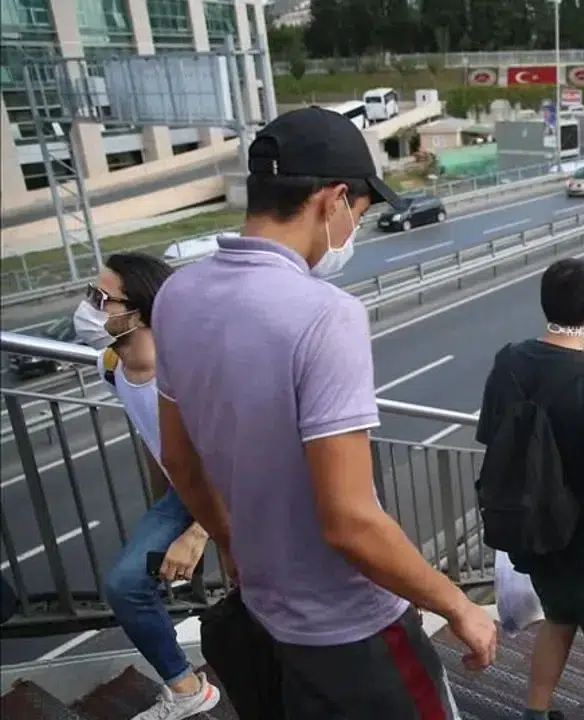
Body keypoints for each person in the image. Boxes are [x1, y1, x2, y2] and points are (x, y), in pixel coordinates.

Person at [152, 107, 496, 719]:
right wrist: (458, 606)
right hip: (353, 629)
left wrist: (233, 541)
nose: (353, 232)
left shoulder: (178, 294)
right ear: (334, 200)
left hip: (267, 613)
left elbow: (177, 456)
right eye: (359, 215)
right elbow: (349, 522)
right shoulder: (325, 314)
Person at [475, 258, 584, 720]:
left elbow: (492, 438)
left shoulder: (508, 362)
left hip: (533, 536)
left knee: (557, 620)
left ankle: (536, 712)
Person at [74, 253, 220, 720]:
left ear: (137, 312)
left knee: (266, 593)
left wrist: (196, 533)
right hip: (187, 492)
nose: (88, 308)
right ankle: (186, 687)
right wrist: (165, 509)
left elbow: (234, 457)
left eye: (101, 299)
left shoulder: (187, 373)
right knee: (125, 584)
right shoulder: (112, 365)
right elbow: (153, 438)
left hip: (238, 488)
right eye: (88, 295)